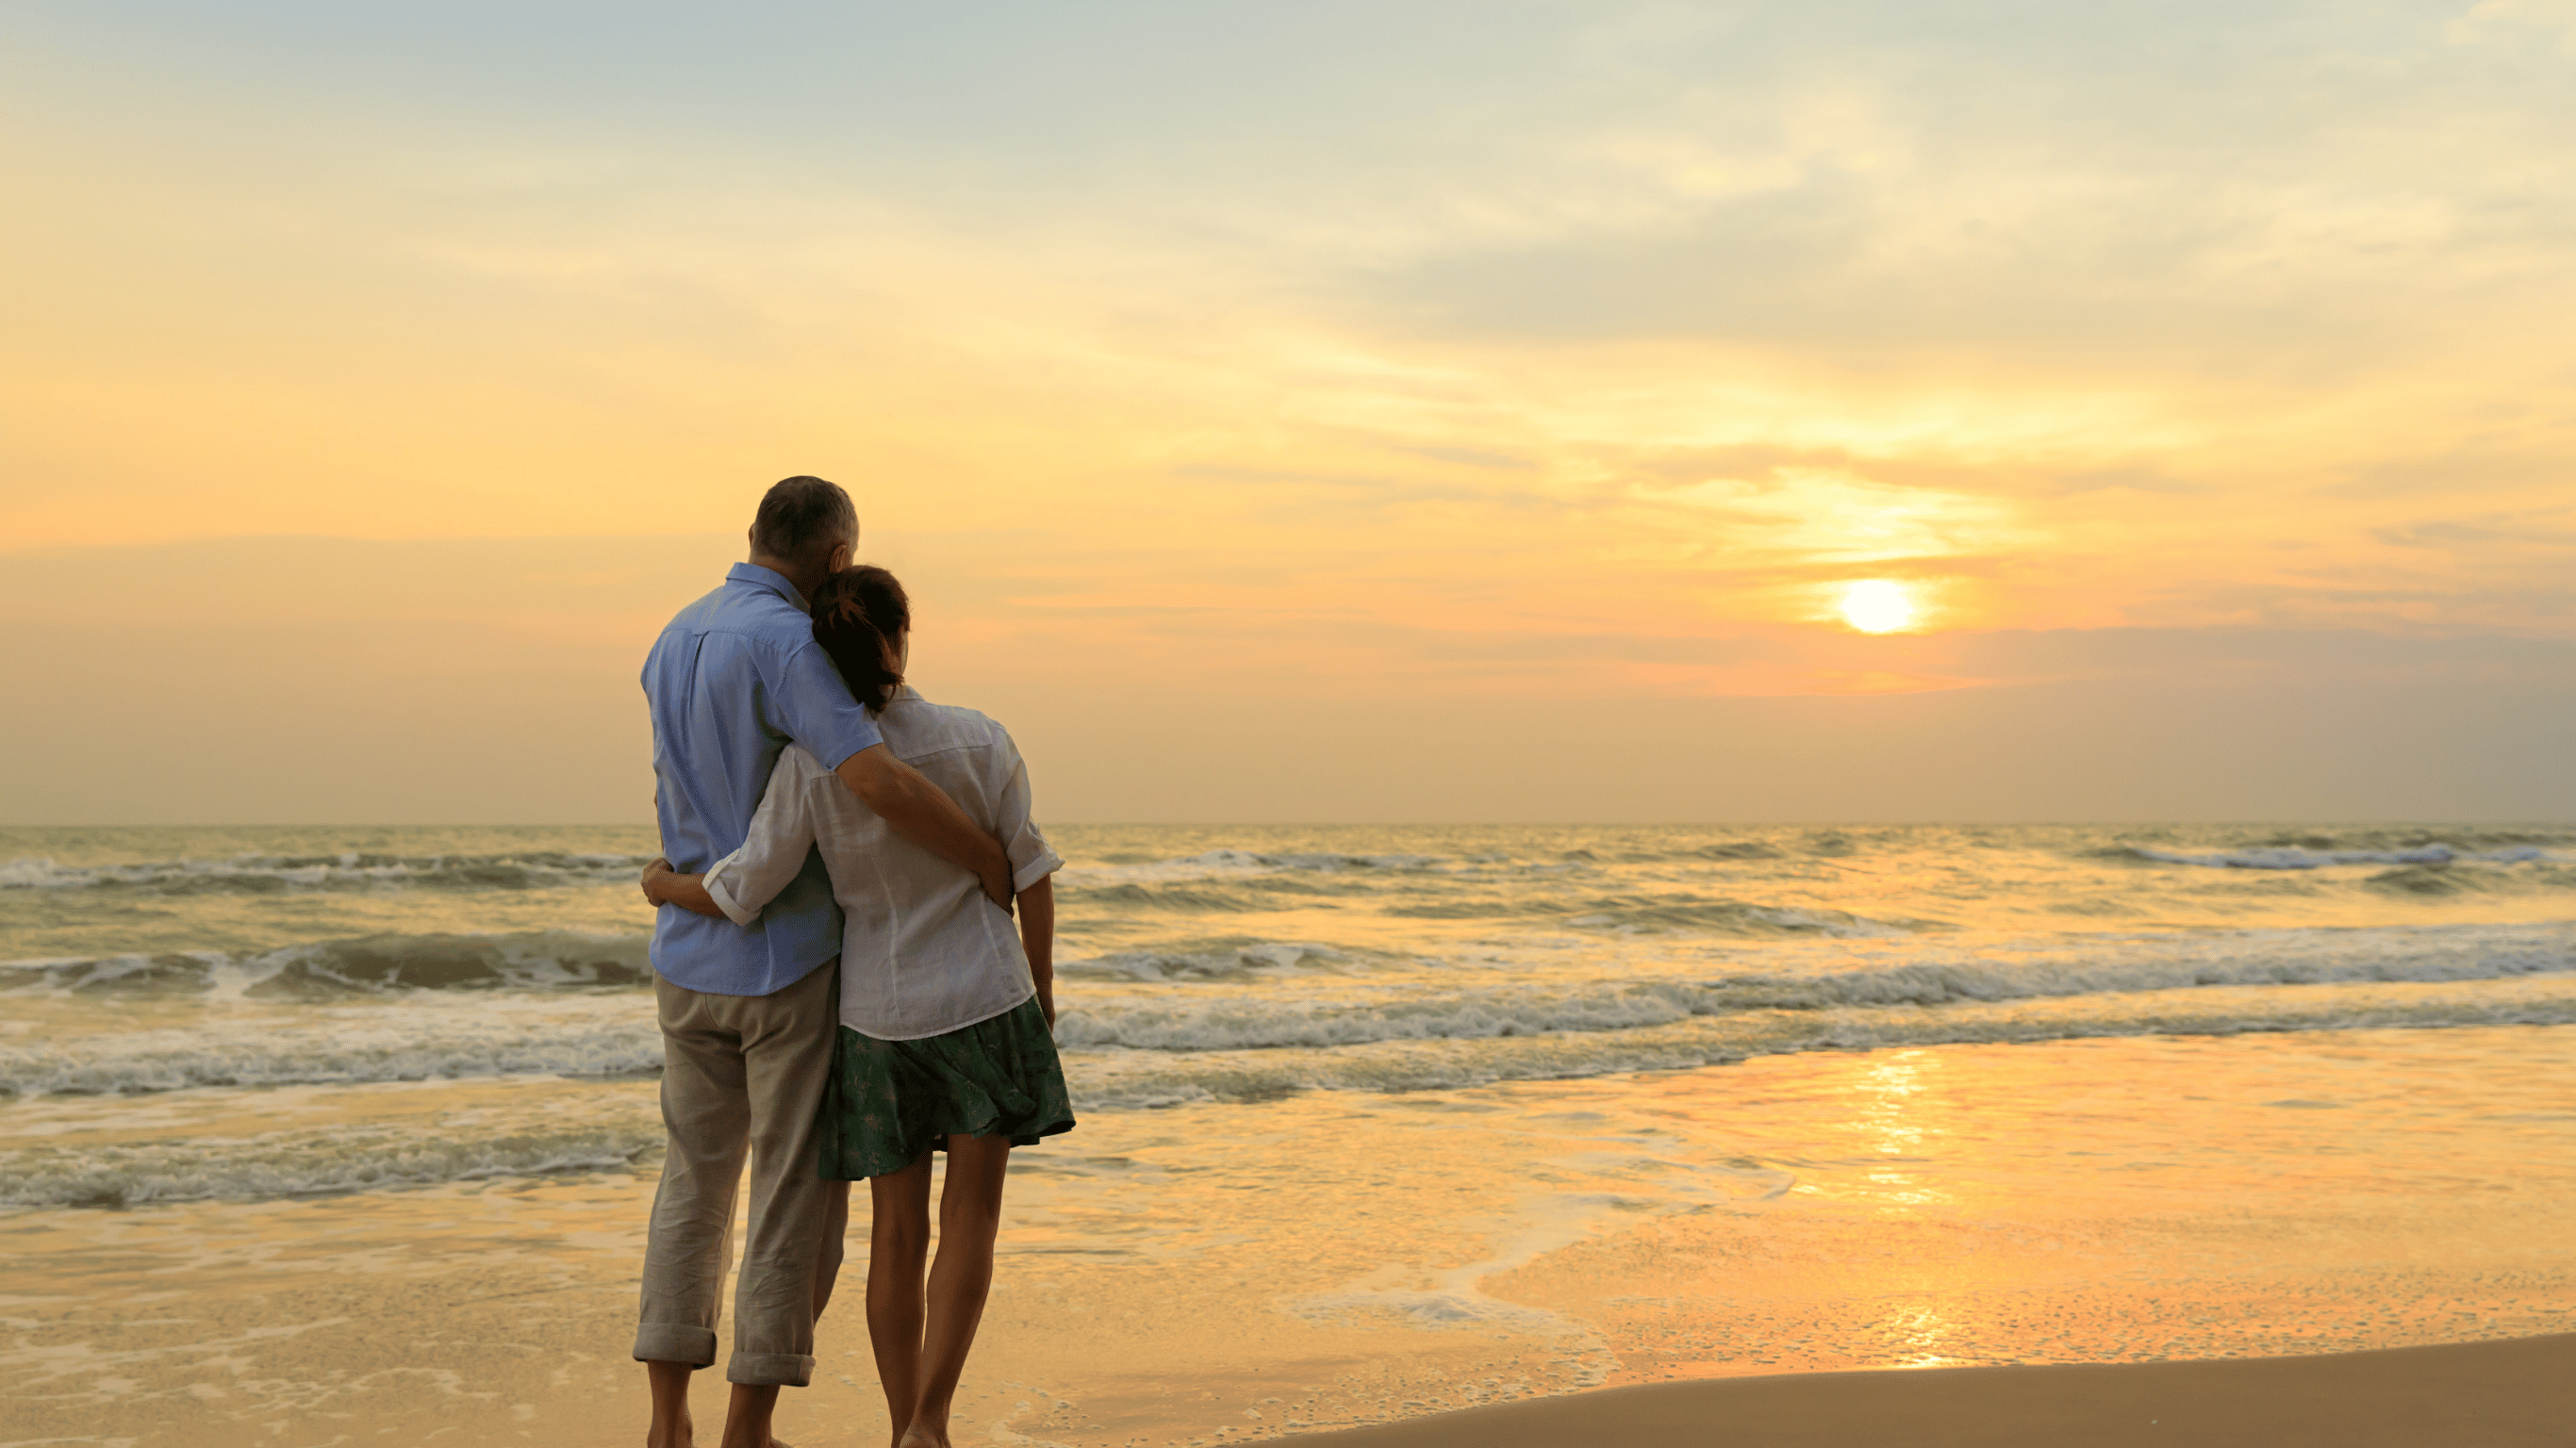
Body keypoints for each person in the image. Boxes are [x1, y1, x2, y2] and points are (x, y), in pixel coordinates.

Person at [646, 563, 1072, 1448]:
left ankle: (895, 1423)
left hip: (877, 1015)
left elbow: (743, 889)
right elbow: (1029, 872)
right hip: (987, 999)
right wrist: (1042, 993)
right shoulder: (979, 739)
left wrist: (663, 885)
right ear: (902, 637)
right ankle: (932, 1422)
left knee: (896, 1233)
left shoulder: (808, 767)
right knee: (973, 1222)